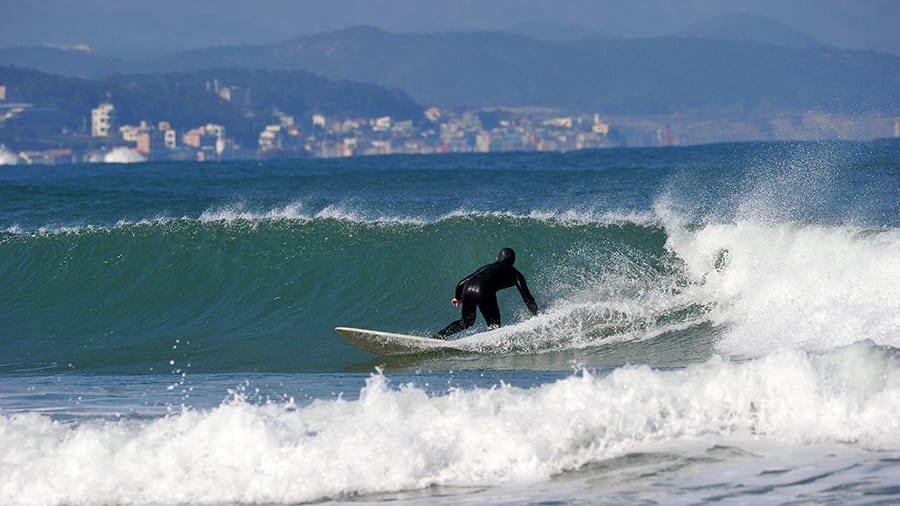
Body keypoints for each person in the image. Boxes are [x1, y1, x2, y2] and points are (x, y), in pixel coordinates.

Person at [433, 247, 538, 339]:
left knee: (466, 322)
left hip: (468, 288)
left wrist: (458, 297)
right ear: (513, 261)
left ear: (498, 258)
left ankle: (439, 335)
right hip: (484, 291)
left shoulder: (486, 267)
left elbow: (462, 283)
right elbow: (527, 296)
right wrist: (536, 314)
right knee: (494, 326)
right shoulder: (516, 274)